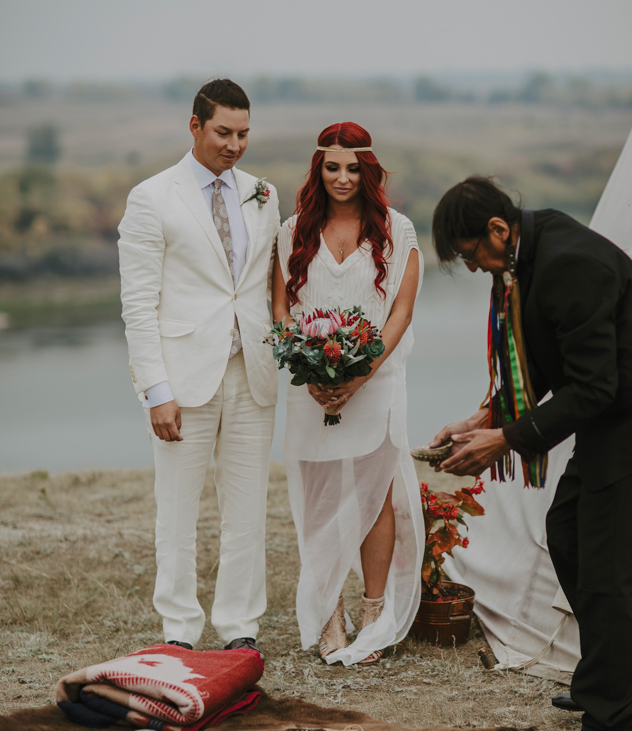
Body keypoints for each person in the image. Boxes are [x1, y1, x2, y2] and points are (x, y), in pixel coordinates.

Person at [429, 176, 632, 731]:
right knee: (570, 533)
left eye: (473, 255)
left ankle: (613, 727)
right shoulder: (530, 246)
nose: (474, 269)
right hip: (616, 404)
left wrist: (505, 439)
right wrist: (486, 416)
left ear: (498, 231)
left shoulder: (567, 265)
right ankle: (626, 671)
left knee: (605, 565)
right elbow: (551, 361)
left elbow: (594, 387)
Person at [118, 78, 280, 656]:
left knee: (247, 511)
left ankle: (239, 626)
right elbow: (138, 304)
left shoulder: (263, 193)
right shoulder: (152, 197)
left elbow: (263, 286)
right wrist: (155, 389)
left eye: (243, 134)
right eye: (223, 132)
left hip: (252, 373)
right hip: (182, 379)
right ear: (195, 126)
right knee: (178, 512)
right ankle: (180, 631)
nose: (234, 145)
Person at [272, 122, 423, 666]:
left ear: (368, 171)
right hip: (310, 385)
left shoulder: (397, 232)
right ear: (319, 169)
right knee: (320, 495)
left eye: (353, 168)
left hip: (375, 382)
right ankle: (329, 609)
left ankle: (374, 610)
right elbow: (281, 309)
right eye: (332, 167)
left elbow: (400, 311)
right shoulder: (292, 231)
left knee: (374, 491)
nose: (342, 177)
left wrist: (361, 373)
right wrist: (306, 365)